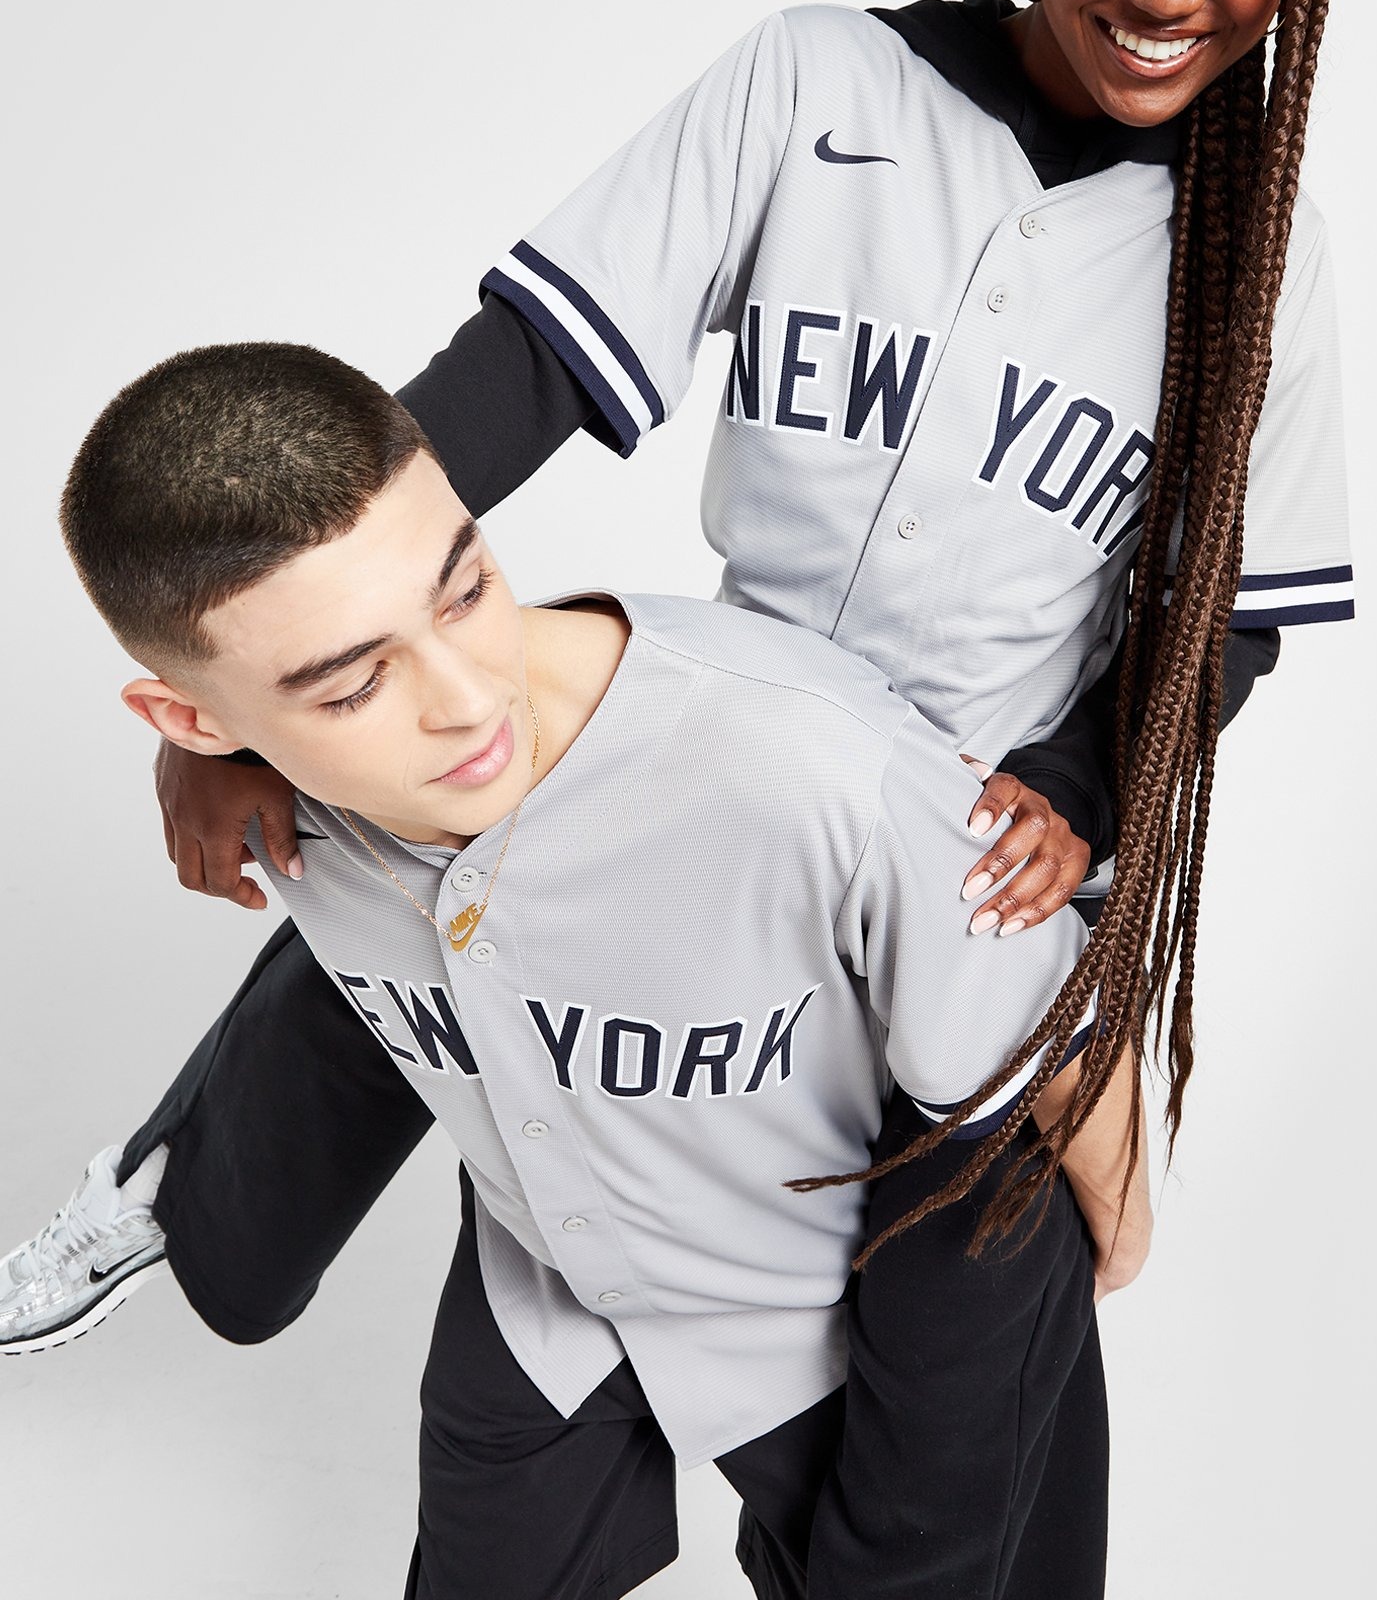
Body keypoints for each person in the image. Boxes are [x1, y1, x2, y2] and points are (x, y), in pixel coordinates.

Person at [2, 0, 1361, 1596]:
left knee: (969, 1391)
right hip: (720, 744)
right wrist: (250, 688)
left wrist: (1077, 788)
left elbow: (1224, 614)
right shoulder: (822, 81)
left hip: (980, 833)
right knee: (427, 826)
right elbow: (528, 368)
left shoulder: (1253, 248)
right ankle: (179, 1185)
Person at [56, 338, 1148, 1600]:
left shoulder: (812, 767)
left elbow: (1056, 1044)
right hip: (550, 1302)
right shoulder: (280, 814)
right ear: (198, 725)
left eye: (467, 590)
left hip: (829, 1320)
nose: (468, 700)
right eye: (354, 685)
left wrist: (1111, 1238)